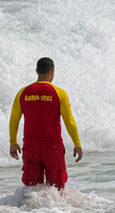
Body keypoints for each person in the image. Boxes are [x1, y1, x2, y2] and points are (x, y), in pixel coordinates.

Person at [9, 57, 82, 190]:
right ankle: (55, 211)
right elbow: (69, 121)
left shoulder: (23, 92)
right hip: (52, 148)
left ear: (36, 71)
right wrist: (77, 144)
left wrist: (13, 142)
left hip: (30, 147)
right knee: (57, 189)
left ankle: (30, 210)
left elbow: (14, 120)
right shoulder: (59, 93)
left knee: (31, 189)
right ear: (52, 71)